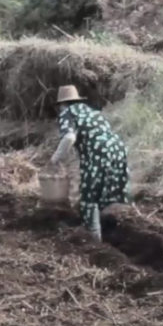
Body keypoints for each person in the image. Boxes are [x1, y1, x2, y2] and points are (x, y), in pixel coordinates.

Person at [49, 85, 131, 240]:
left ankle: (94, 242)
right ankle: (110, 230)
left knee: (89, 199)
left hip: (98, 152)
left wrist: (56, 158)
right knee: (104, 193)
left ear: (62, 104)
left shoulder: (67, 113)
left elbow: (69, 138)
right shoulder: (91, 112)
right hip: (118, 149)